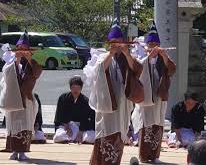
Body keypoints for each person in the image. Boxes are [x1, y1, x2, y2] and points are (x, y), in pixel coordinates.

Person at [85, 18, 143, 165]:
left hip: (122, 103)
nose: (116, 44)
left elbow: (137, 69)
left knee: (118, 133)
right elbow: (98, 72)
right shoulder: (102, 57)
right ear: (109, 43)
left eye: (119, 41)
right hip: (106, 103)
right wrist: (110, 54)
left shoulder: (128, 57)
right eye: (113, 42)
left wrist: (126, 53)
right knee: (104, 133)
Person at [131, 21, 176, 163]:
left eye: (155, 44)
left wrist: (164, 56)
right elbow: (137, 69)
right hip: (147, 97)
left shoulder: (163, 58)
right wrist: (149, 57)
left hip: (159, 96)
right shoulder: (142, 58)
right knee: (147, 126)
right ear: (146, 46)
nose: (153, 47)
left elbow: (172, 70)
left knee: (158, 125)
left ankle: (155, 156)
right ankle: (144, 156)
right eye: (150, 45)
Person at [0, 30, 42, 161]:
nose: (22, 51)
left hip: (26, 98)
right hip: (13, 98)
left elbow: (36, 73)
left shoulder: (33, 64)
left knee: (25, 124)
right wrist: (16, 59)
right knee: (13, 124)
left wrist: (29, 58)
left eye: (25, 49)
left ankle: (23, 151)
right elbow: (7, 75)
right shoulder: (11, 63)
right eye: (20, 48)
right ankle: (13, 150)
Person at [53, 76, 95, 144]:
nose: (75, 90)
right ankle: (72, 138)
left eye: (78, 88)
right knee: (58, 136)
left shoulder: (86, 101)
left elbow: (88, 119)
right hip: (67, 126)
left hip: (81, 128)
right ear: (70, 88)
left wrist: (81, 132)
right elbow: (59, 115)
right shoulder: (63, 98)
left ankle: (77, 138)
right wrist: (67, 128)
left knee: (90, 137)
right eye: (73, 88)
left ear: (81, 88)